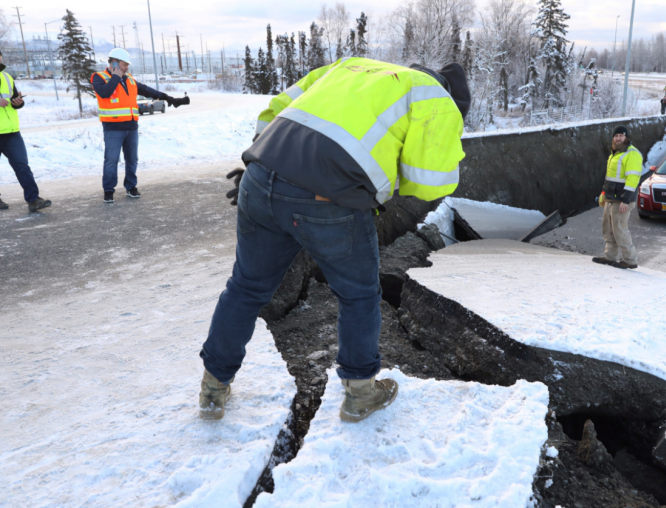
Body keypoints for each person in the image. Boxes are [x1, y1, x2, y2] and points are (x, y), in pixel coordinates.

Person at [198, 57, 470, 422]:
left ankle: (213, 388)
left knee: (246, 287)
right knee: (358, 295)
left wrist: (265, 172)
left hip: (260, 177)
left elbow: (275, 112)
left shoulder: (350, 66)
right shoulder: (434, 97)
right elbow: (430, 182)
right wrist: (382, 181)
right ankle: (360, 394)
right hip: (330, 200)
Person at [91, 48, 189, 203]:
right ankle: (109, 190)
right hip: (113, 128)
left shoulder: (129, 79)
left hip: (131, 127)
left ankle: (131, 186)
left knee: (132, 159)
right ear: (114, 63)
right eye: (124, 65)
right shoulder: (99, 77)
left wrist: (169, 98)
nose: (127, 68)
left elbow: (147, 90)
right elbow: (104, 93)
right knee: (111, 160)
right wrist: (116, 77)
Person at [0, 50, 51, 212]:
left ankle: (33, 199)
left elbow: (16, 101)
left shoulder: (7, 78)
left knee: (22, 165)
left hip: (12, 131)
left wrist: (18, 102)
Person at [592, 125, 642, 270]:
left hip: (622, 200)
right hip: (611, 198)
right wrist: (603, 194)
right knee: (608, 229)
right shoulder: (615, 154)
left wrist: (625, 200)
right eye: (616, 136)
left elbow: (633, 178)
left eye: (621, 135)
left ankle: (630, 260)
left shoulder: (632, 154)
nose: (618, 138)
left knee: (620, 229)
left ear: (626, 137)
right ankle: (609, 257)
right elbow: (609, 178)